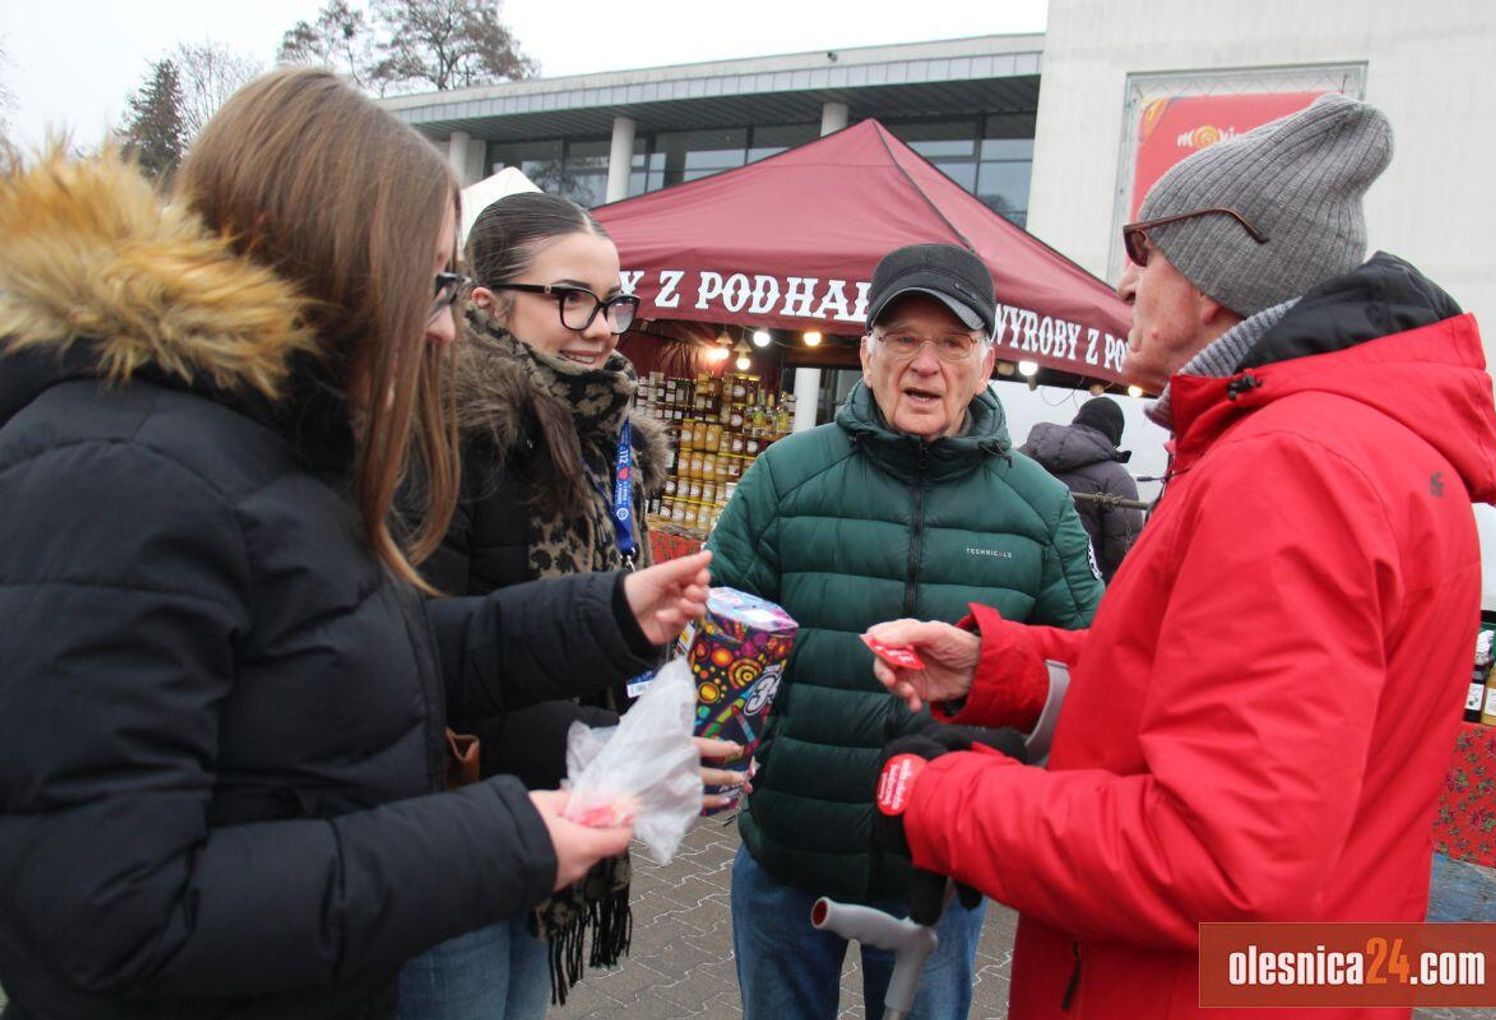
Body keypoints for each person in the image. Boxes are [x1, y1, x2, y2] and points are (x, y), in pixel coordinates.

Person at [0, 68, 714, 1019]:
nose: (449, 330)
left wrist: (607, 613)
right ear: (329, 264)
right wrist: (500, 841)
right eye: (432, 284)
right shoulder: (126, 474)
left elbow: (373, 656)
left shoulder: (273, 446)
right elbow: (109, 918)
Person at [869, 95, 1496, 1020]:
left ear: (1211, 279)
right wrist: (1003, 670)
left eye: (1145, 250)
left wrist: (945, 799)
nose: (1126, 285)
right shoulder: (1346, 446)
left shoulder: (1293, 467)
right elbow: (1196, 685)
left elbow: (1221, 859)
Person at [707, 243, 1102, 1019]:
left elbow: (1094, 667)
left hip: (942, 871)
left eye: (953, 343)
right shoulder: (786, 477)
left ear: (985, 366)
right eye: (903, 339)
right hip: (788, 855)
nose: (926, 365)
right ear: (866, 354)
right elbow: (717, 634)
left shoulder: (1040, 506)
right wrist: (714, 746)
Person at [396, 192, 743, 1019]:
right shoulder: (442, 433)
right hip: (454, 838)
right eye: (569, 298)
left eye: (613, 302)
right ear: (486, 304)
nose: (600, 328)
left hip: (559, 829)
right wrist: (608, 751)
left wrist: (649, 711)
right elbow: (419, 662)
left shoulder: (607, 435)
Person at [1020, 397, 1143, 580]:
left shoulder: (1022, 456)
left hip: (1017, 570)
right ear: (1115, 435)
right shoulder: (1116, 478)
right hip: (1081, 582)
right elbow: (1122, 551)